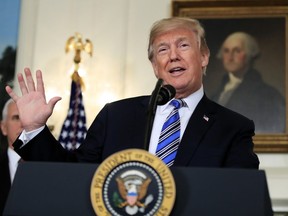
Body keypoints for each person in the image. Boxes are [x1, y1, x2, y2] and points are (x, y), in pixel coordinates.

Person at [5, 17, 259, 169]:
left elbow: (238, 195)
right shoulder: (116, 116)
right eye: (162, 50)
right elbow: (72, 175)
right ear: (154, 65)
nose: (173, 56)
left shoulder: (233, 128)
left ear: (203, 57)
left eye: (183, 45)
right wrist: (36, 130)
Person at [213, 32, 285, 133]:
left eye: (237, 51)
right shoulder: (216, 95)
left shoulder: (269, 95)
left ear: (249, 55)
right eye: (226, 51)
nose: (230, 57)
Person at [0, 99, 23, 215]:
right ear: (3, 127)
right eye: (16, 117)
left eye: (26, 117)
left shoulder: (48, 165)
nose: (23, 123)